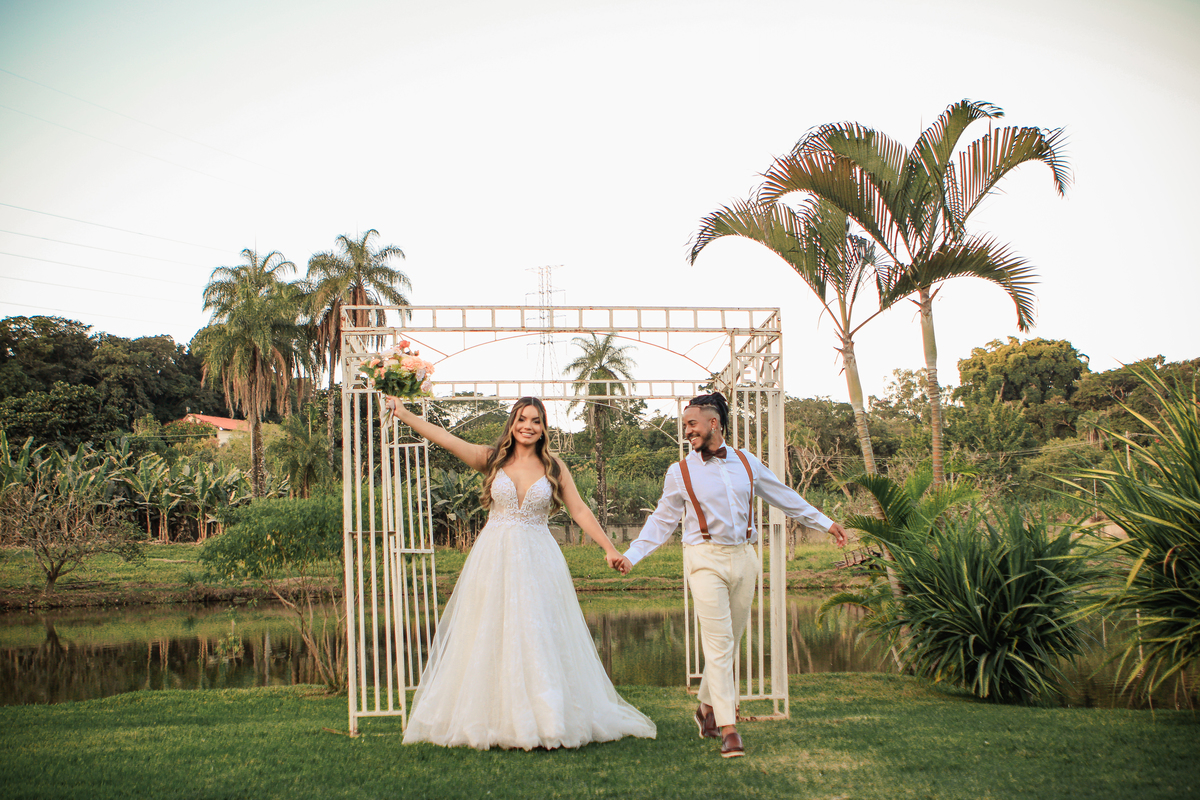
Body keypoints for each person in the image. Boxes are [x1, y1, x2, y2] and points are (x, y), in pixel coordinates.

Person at [388, 395, 656, 750]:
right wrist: (404, 413)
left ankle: (546, 715)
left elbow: (579, 509)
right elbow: (445, 438)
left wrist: (609, 548)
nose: (528, 426)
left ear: (544, 428)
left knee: (537, 631)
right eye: (522, 419)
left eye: (536, 421)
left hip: (538, 557)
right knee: (489, 629)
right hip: (493, 556)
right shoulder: (491, 458)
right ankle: (489, 714)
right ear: (512, 423)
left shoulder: (554, 467)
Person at [613, 392, 846, 759]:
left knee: (729, 643)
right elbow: (662, 521)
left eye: (691, 423)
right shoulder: (680, 471)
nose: (686, 430)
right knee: (720, 644)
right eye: (685, 424)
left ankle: (705, 708)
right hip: (704, 559)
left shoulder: (745, 461)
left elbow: (783, 496)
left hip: (745, 558)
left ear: (713, 423)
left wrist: (827, 523)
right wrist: (632, 556)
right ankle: (728, 728)